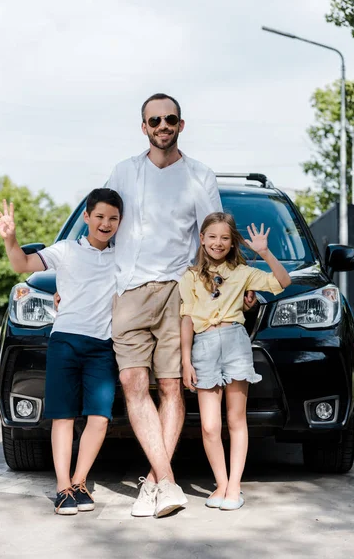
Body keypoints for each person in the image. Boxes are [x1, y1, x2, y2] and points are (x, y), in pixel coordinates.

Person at [107, 92, 224, 518]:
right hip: (129, 290)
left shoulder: (199, 176)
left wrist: (228, 288)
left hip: (179, 292)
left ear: (180, 124)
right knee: (134, 384)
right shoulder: (124, 171)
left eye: (169, 119)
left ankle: (155, 484)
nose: (162, 126)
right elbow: (103, 226)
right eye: (153, 120)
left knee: (172, 387)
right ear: (144, 127)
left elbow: (214, 240)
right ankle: (168, 481)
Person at [0, 189, 123, 516]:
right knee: (62, 417)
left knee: (99, 417)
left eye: (113, 218)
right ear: (87, 218)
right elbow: (22, 264)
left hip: (101, 347)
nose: (105, 224)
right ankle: (63, 487)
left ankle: (79, 482)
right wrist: (11, 238)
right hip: (64, 342)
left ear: (120, 223)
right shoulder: (65, 250)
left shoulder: (122, 258)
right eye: (100, 217)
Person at [179, 213, 291, 510]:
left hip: (235, 342)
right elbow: (187, 319)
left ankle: (235, 486)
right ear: (202, 238)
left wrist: (264, 252)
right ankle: (221, 483)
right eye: (212, 236)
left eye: (225, 238)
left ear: (232, 244)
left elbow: (283, 281)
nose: (218, 242)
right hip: (203, 347)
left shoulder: (243, 272)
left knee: (235, 419)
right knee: (209, 426)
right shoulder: (190, 276)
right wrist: (186, 360)